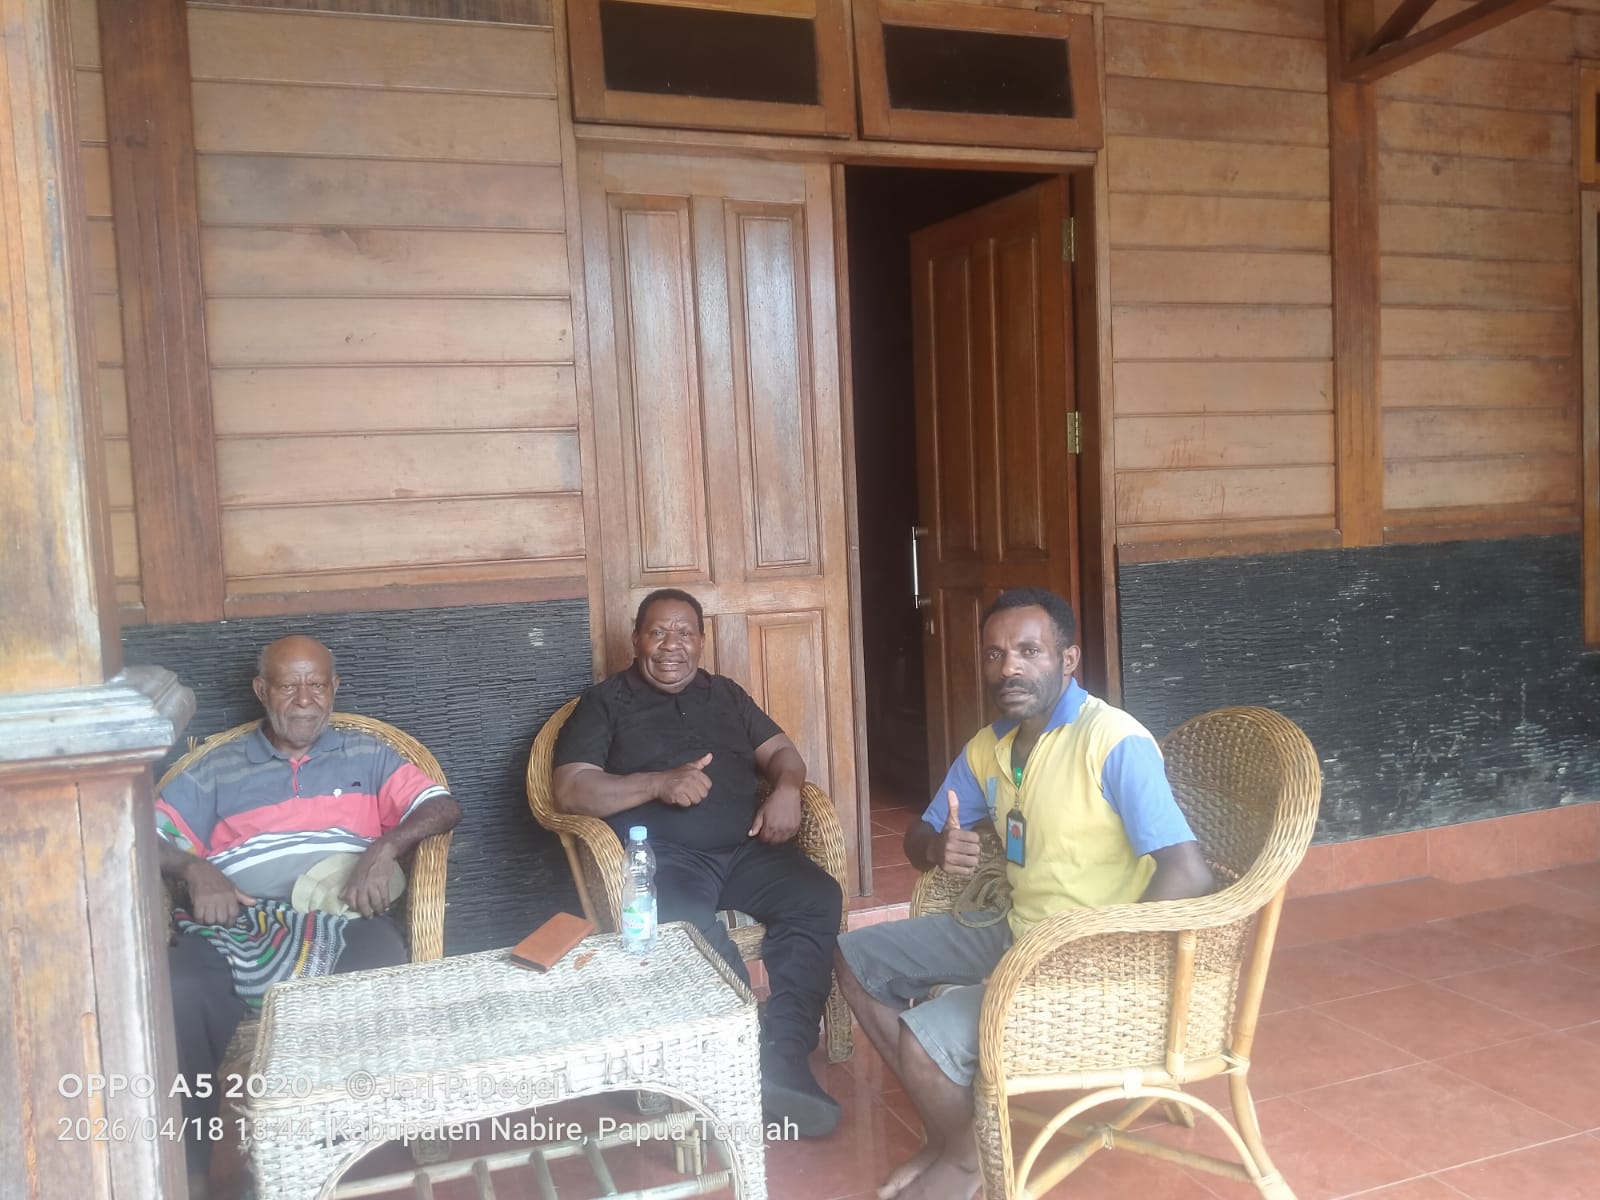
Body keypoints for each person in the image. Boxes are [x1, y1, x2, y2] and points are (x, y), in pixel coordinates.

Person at [834, 588, 1214, 1200]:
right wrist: (936, 848)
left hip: (1084, 958)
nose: (1008, 667)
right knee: (853, 957)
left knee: (923, 1040)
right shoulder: (991, 747)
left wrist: (1098, 958)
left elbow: (1188, 873)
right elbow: (918, 834)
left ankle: (963, 1164)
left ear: (1068, 659)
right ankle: (956, 1139)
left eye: (1029, 651)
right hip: (1015, 926)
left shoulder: (1113, 741)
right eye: (994, 654)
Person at [156, 635, 461, 1180]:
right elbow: (142, 834)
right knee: (180, 989)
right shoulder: (216, 769)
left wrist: (384, 847)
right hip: (240, 921)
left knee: (376, 968)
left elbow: (441, 806)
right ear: (261, 690)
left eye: (317, 684)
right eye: (288, 686)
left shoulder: (368, 755)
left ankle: (319, 1158)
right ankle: (191, 1172)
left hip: (339, 918)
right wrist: (195, 869)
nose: (304, 699)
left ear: (334, 688)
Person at [552, 589, 843, 1136]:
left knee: (816, 896)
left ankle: (784, 1048)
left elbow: (783, 752)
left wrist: (787, 789)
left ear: (701, 641)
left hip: (747, 848)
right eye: (658, 632)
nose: (672, 645)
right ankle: (751, 1050)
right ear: (636, 639)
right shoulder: (605, 702)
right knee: (681, 922)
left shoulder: (726, 694)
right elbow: (570, 789)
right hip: (667, 860)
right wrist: (659, 783)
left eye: (684, 632)